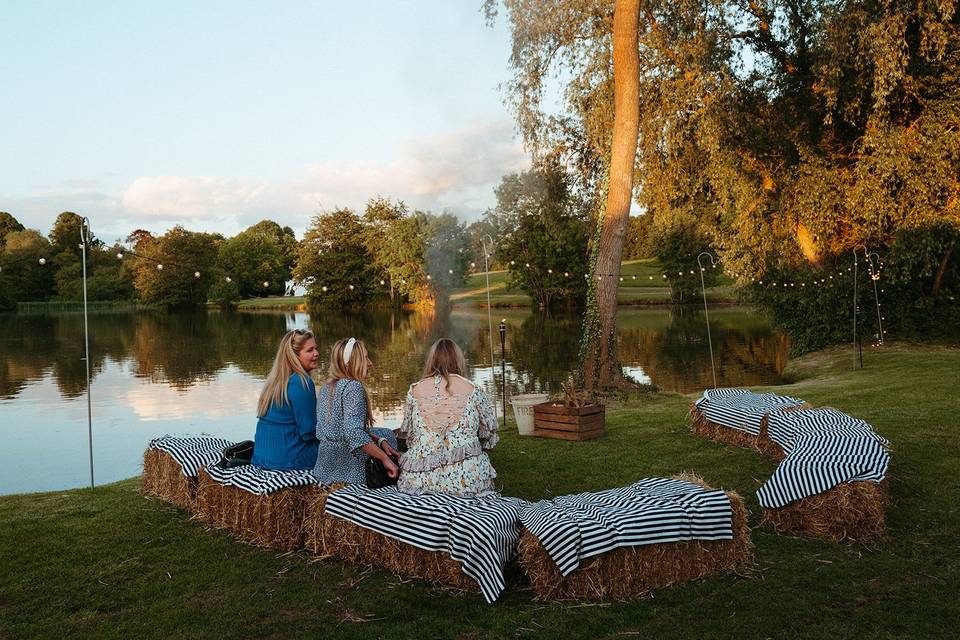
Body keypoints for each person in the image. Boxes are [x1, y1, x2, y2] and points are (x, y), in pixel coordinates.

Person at [397, 338, 499, 497]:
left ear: (431, 360)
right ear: (458, 360)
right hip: (468, 480)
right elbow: (488, 438)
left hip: (419, 480)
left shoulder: (414, 391)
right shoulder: (473, 389)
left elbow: (411, 439)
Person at [313, 337, 399, 485]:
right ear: (352, 362)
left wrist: (379, 441)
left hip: (324, 466)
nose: (370, 363)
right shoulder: (353, 387)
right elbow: (354, 433)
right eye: (365, 358)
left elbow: (341, 430)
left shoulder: (326, 387)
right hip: (346, 468)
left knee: (383, 435)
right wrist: (384, 459)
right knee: (389, 434)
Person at [250, 329, 320, 470]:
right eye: (310, 350)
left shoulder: (274, 381)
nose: (316, 353)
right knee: (343, 448)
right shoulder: (302, 382)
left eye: (316, 348)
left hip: (260, 456)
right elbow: (309, 432)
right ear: (294, 356)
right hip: (286, 460)